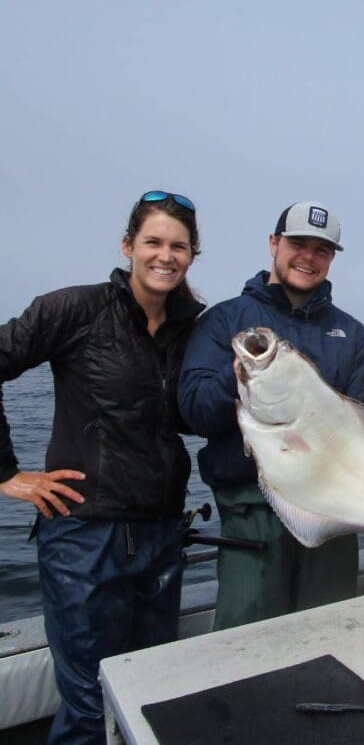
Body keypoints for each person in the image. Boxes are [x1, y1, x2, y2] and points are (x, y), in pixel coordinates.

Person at [0, 191, 204, 744]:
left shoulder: (194, 330)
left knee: (148, 695)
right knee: (91, 709)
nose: (166, 255)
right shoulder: (74, 309)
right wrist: (6, 474)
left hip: (162, 535)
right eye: (154, 242)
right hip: (83, 537)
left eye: (178, 246)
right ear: (128, 246)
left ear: (192, 255)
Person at [178, 201, 364, 631]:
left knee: (329, 639)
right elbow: (193, 412)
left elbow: (363, 439)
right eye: (297, 243)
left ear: (332, 259)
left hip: (332, 511)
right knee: (245, 645)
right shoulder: (224, 320)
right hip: (250, 518)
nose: (308, 256)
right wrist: (241, 380)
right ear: (273, 243)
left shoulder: (353, 334)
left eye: (321, 250)